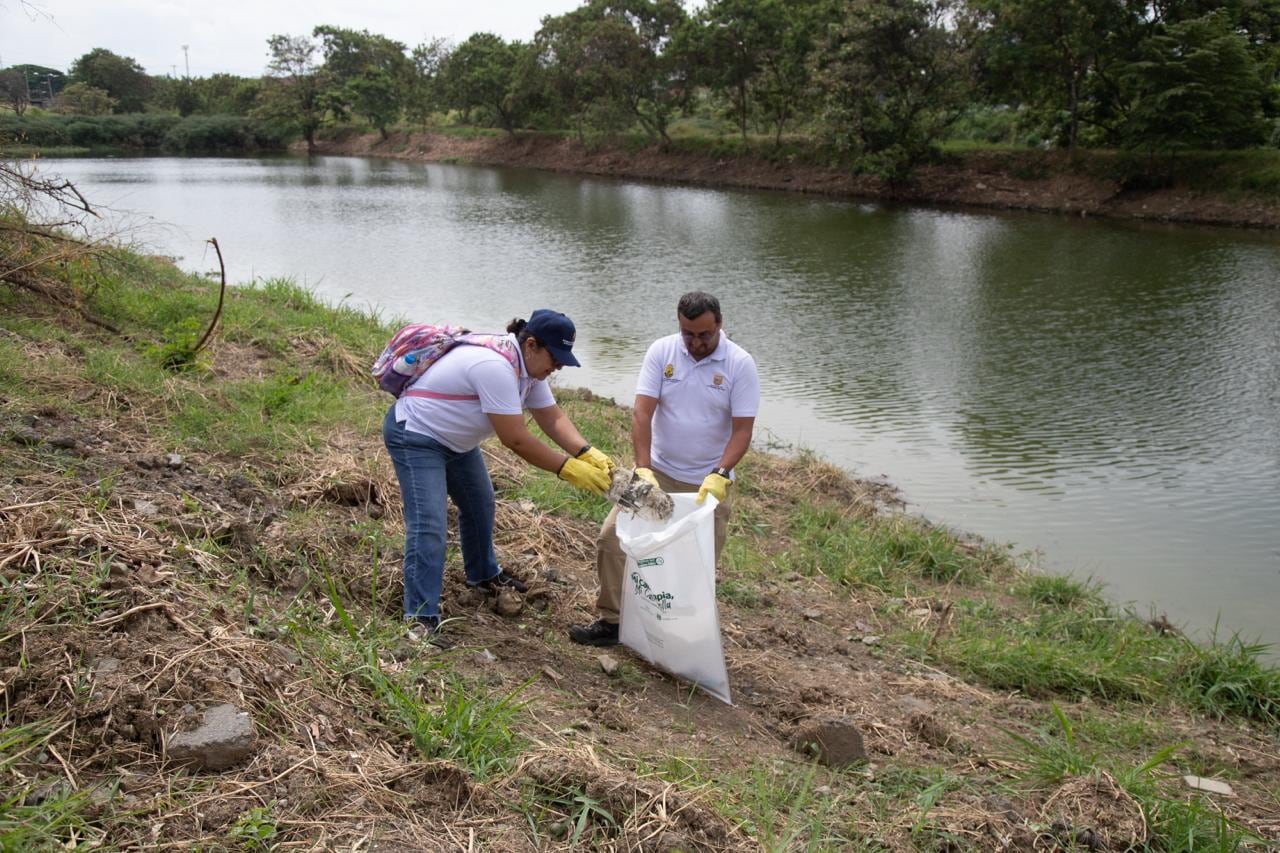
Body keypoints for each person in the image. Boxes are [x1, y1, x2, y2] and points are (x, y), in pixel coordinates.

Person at [383, 309, 615, 647]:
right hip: (417, 436)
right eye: (556, 357)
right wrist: (568, 469)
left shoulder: (528, 371)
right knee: (429, 523)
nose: (559, 367)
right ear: (532, 344)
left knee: (480, 504)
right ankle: (419, 619)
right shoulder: (494, 367)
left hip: (456, 442)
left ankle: (482, 574)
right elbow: (516, 438)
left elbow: (552, 418)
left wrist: (587, 452)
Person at [569, 292, 759, 647]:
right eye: (689, 334)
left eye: (705, 334)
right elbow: (642, 412)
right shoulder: (662, 352)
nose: (697, 343)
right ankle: (613, 621)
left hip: (708, 483)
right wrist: (644, 468)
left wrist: (721, 472)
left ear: (719, 324)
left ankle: (680, 637)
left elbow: (743, 429)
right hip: (657, 473)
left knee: (696, 564)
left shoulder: (739, 363)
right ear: (679, 326)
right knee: (612, 540)